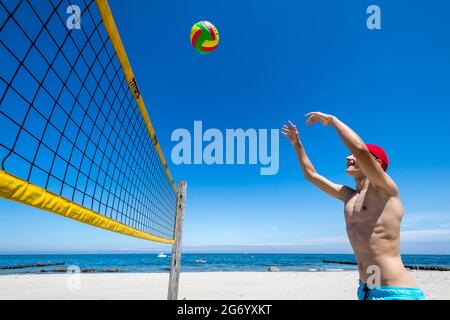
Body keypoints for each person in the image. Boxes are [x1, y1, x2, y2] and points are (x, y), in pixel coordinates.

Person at [281, 112, 426, 300]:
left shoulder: (385, 190)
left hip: (396, 293)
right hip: (366, 290)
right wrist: (296, 144)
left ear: (376, 163)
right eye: (348, 155)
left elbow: (359, 150)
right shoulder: (348, 195)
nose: (348, 157)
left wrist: (332, 121)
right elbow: (311, 175)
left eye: (353, 156)